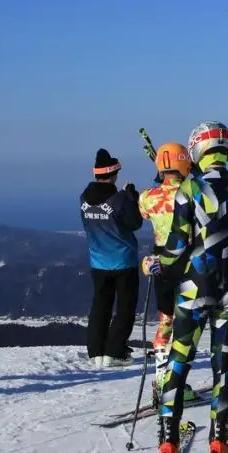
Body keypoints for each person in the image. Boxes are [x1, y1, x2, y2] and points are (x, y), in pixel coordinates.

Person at [155, 121, 228, 453]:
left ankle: (169, 441)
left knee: (179, 361)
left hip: (192, 291)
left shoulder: (189, 188)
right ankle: (219, 438)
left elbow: (175, 249)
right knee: (224, 365)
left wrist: (159, 266)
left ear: (198, 149)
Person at [138, 142, 193, 391]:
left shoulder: (147, 197)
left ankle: (160, 379)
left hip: (159, 263)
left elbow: (145, 213)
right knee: (187, 323)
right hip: (187, 262)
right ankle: (177, 383)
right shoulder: (192, 193)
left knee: (165, 320)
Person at [81, 148, 143, 366]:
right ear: (113, 173)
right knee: (125, 307)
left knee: (100, 305)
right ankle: (115, 352)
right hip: (124, 260)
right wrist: (130, 198)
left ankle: (96, 352)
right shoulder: (118, 199)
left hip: (98, 261)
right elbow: (135, 223)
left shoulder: (84, 199)